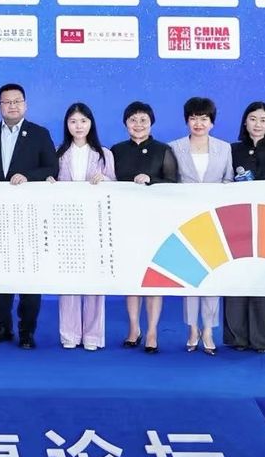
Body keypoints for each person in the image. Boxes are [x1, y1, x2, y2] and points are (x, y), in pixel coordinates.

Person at [0, 83, 58, 349]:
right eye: (7, 102)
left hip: (29, 217)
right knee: (1, 273)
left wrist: (28, 176)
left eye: (17, 101)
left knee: (30, 276)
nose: (12, 106)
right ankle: (2, 327)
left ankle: (27, 331)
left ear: (25, 104)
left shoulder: (40, 134)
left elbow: (51, 168)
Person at [168, 96, 232, 355]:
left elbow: (229, 181)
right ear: (187, 121)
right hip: (185, 222)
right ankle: (192, 328)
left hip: (215, 222)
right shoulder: (174, 147)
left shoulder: (224, 148)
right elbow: (170, 183)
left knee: (213, 277)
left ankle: (208, 329)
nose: (198, 123)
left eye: (204, 118)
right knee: (190, 277)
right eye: (193, 118)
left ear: (212, 122)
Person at [111, 101, 177, 354]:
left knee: (152, 278)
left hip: (155, 223)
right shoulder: (116, 150)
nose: (138, 125)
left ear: (151, 123)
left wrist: (152, 179)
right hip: (125, 222)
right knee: (131, 277)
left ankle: (151, 332)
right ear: (125, 123)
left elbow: (173, 184)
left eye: (143, 120)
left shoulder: (163, 150)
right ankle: (133, 328)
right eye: (133, 120)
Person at [47, 103, 114, 351]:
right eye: (73, 121)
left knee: (95, 280)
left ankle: (93, 335)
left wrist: (106, 180)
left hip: (96, 224)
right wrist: (49, 180)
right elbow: (49, 180)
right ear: (67, 125)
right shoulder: (57, 152)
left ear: (91, 124)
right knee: (69, 280)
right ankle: (69, 334)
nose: (78, 126)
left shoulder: (104, 154)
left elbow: (117, 186)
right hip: (67, 224)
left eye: (83, 121)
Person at [226, 101, 265, 354]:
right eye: (253, 119)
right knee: (235, 277)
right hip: (234, 222)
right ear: (245, 122)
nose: (258, 124)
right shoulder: (231, 150)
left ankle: (261, 340)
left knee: (262, 281)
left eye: (263, 120)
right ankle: (237, 338)